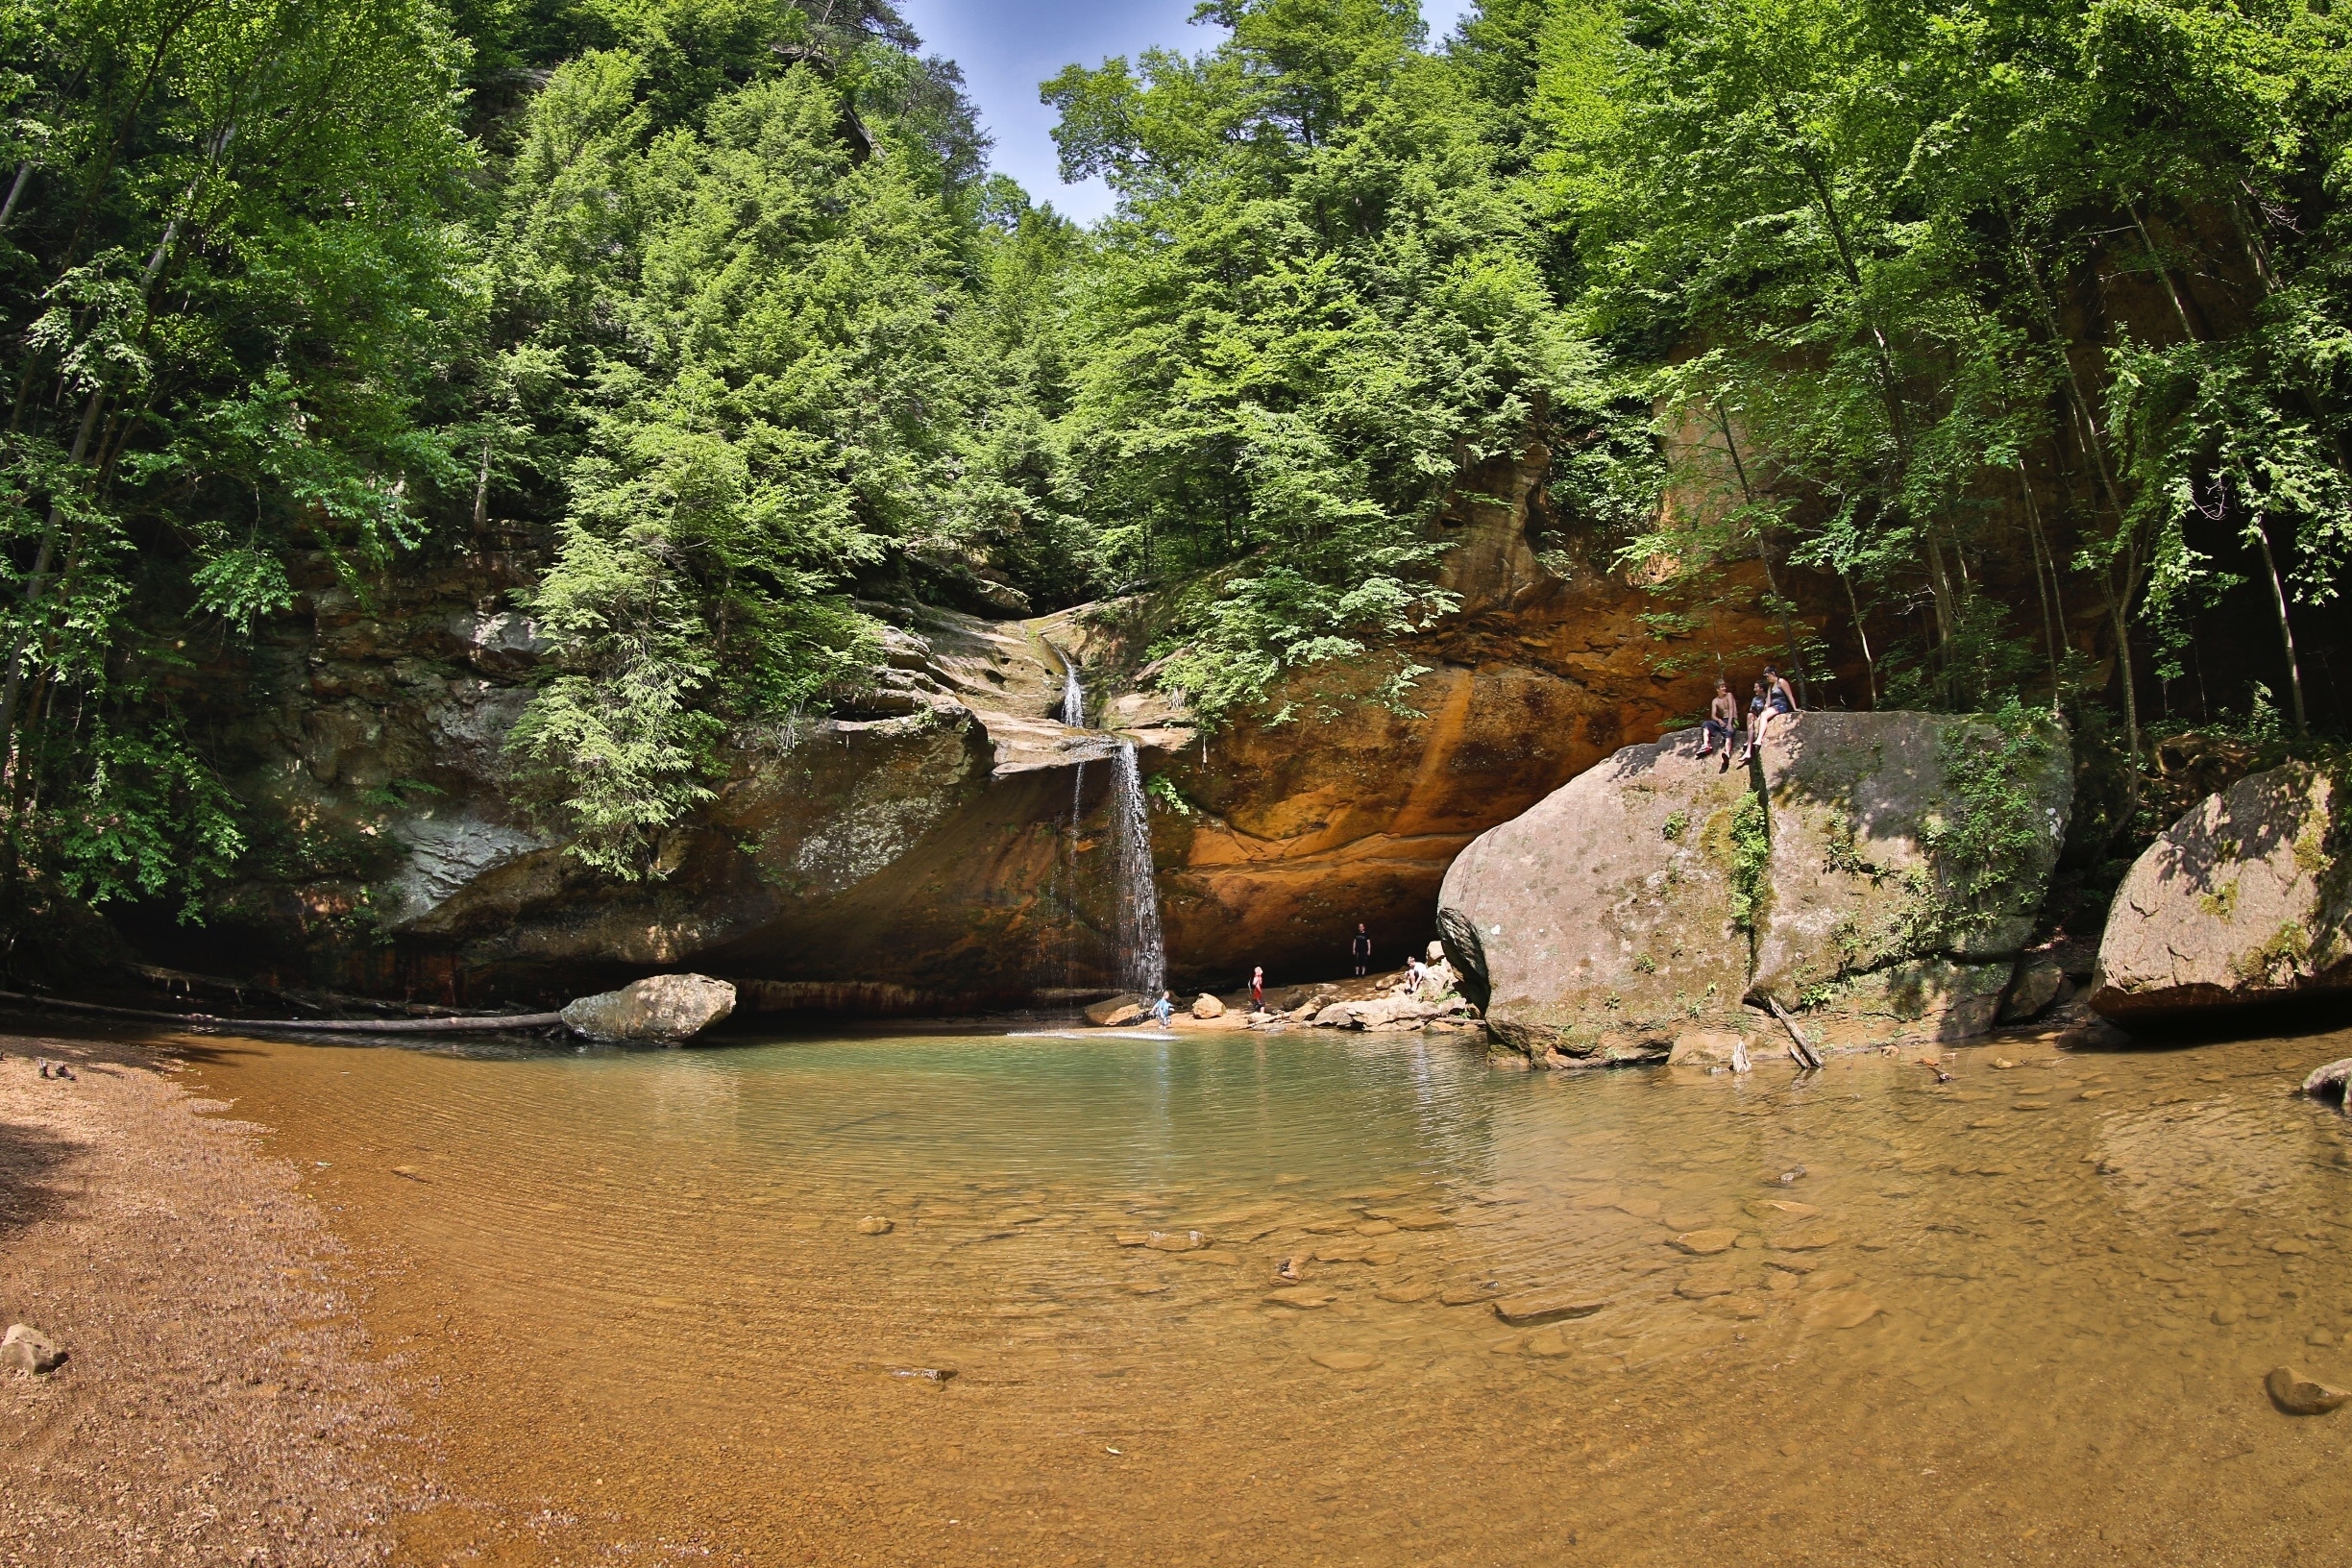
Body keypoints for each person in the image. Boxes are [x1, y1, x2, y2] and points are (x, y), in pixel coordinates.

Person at [1700, 677, 1738, 764]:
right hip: (1723, 720)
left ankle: (1727, 753)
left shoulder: (1729, 695)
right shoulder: (1715, 701)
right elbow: (1713, 715)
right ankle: (1706, 745)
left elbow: (1731, 709)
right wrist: (1719, 720)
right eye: (1722, 687)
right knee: (1706, 724)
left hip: (1733, 719)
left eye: (1724, 686)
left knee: (1728, 731)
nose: (1724, 688)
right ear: (1717, 689)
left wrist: (1729, 723)